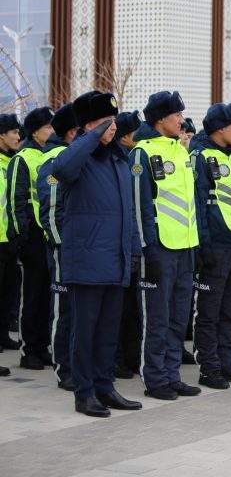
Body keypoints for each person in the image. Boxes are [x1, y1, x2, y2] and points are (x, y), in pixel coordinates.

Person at [52, 89, 143, 417]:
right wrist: (88, 137)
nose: (112, 128)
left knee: (108, 331)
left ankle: (105, 388)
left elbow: (128, 212)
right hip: (87, 260)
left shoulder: (118, 159)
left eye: (114, 122)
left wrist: (133, 251)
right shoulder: (78, 156)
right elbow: (62, 168)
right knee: (85, 331)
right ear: (87, 126)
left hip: (116, 260)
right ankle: (84, 392)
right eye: (105, 122)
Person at [131, 90, 201, 400]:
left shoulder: (181, 152)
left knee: (178, 317)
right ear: (160, 120)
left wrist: (194, 246)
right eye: (177, 116)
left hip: (185, 248)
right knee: (157, 319)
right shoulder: (142, 153)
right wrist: (148, 249)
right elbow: (140, 206)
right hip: (159, 250)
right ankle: (156, 379)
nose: (181, 121)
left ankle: (172, 375)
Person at [188, 102, 231, 389]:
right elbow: (199, 204)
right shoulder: (201, 156)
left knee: (230, 310)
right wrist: (203, 246)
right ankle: (209, 367)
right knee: (210, 310)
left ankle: (227, 363)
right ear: (219, 129)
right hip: (215, 245)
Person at [7, 107, 55, 369]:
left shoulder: (49, 156)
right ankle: (29, 350)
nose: (51, 131)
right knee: (32, 295)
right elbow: (16, 200)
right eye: (47, 127)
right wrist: (20, 236)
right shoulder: (22, 158)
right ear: (35, 131)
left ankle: (42, 345)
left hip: (46, 232)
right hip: (32, 234)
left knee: (47, 294)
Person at [37, 103, 79, 391]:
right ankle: (63, 367)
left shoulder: (76, 155)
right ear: (71, 132)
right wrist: (60, 246)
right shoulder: (54, 159)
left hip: (83, 247)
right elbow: (52, 211)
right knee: (63, 310)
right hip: (64, 248)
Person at [113, 111, 143, 378]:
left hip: (132, 244)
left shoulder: (127, 158)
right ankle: (117, 358)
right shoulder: (124, 158)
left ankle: (130, 356)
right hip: (118, 246)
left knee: (133, 308)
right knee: (120, 309)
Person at [0, 113, 22, 357]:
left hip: (9, 238)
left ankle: (3, 334)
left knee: (9, 292)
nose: (18, 136)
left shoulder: (11, 163)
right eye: (14, 132)